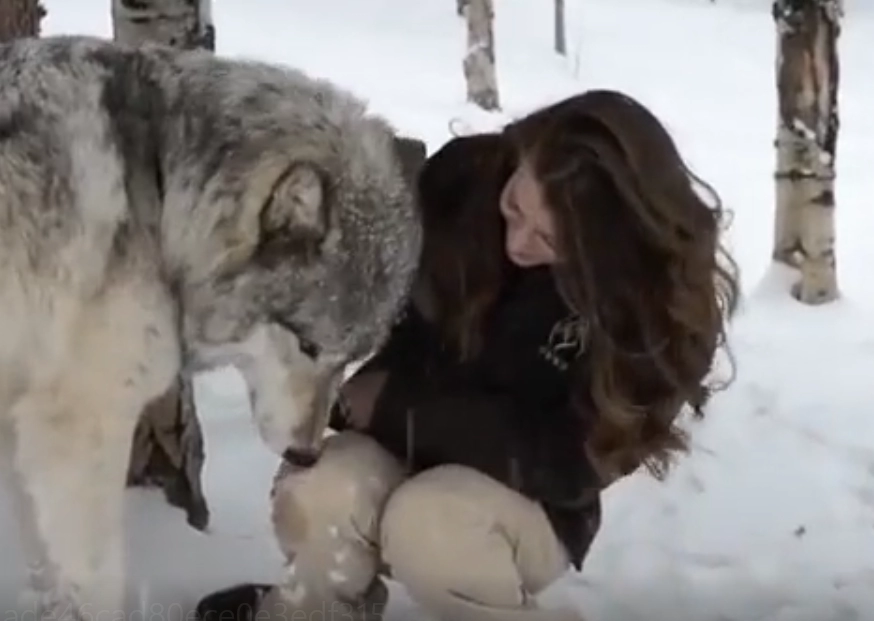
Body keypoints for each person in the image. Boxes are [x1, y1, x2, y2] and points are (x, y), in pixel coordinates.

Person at [195, 89, 741, 621]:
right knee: (320, 492)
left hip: (523, 499)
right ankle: (317, 610)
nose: (517, 242)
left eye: (550, 241)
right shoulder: (466, 179)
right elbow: (377, 289)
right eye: (514, 208)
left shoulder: (656, 308)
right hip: (397, 444)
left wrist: (395, 405)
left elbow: (572, 462)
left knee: (431, 525)